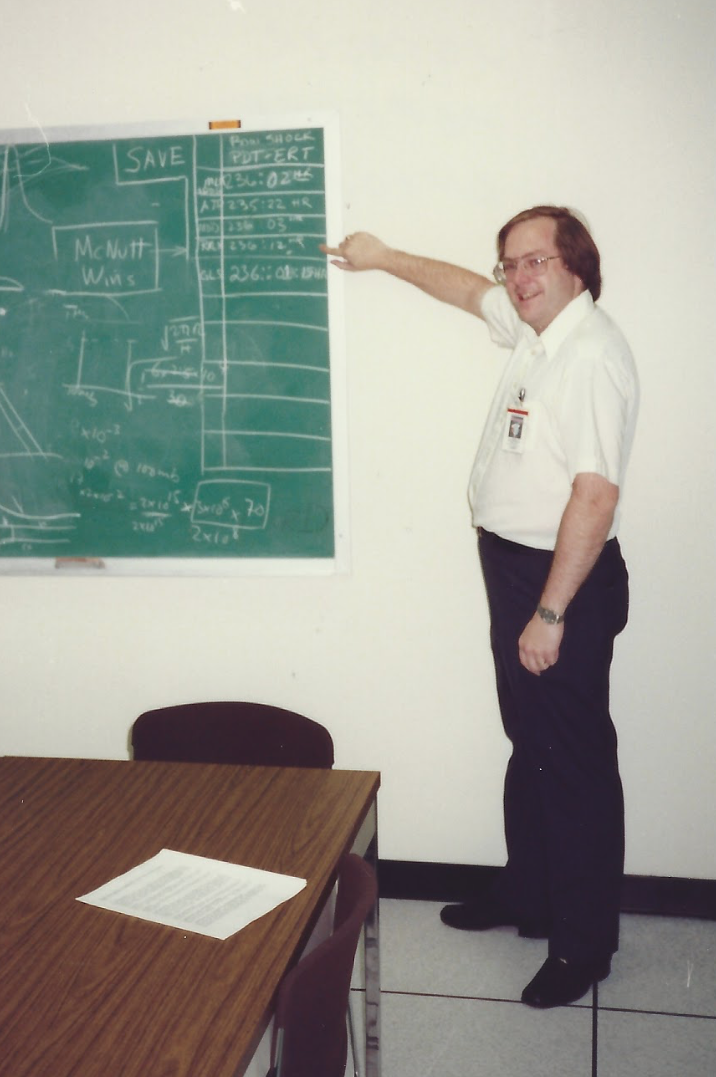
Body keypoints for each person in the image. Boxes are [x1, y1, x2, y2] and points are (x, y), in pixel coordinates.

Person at [321, 206, 639, 1009]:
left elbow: (595, 498)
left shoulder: (592, 355)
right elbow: (464, 291)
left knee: (571, 762)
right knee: (531, 742)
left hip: (559, 580)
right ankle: (527, 897)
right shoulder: (538, 332)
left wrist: (553, 612)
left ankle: (583, 945)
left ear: (577, 266)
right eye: (511, 264)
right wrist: (386, 255)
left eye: (536, 261)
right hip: (517, 570)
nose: (518, 278)